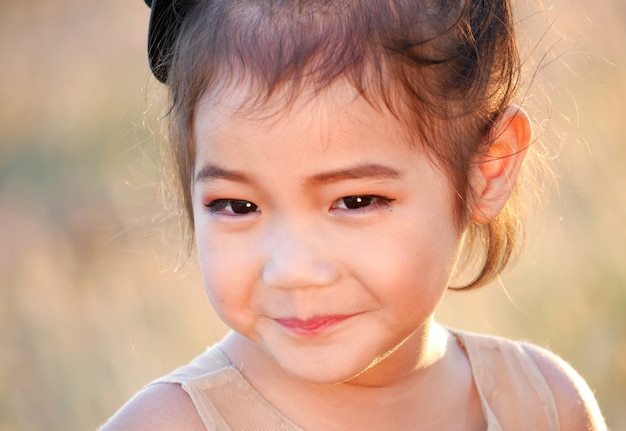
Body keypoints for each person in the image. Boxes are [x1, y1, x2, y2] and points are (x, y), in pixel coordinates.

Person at [102, 0, 606, 429]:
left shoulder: (544, 407)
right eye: (238, 205)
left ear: (486, 170)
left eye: (355, 201)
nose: (293, 269)